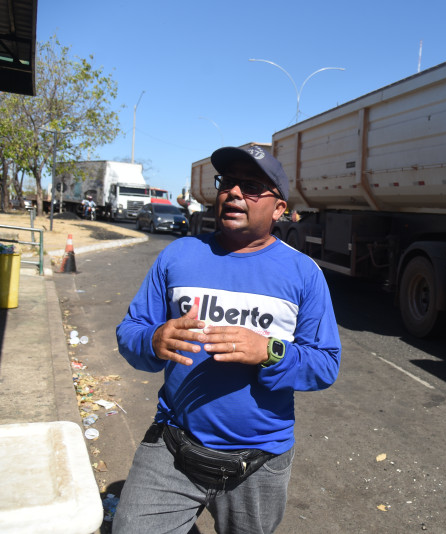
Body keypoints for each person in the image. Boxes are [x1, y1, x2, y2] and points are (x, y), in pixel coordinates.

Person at [113, 145, 341, 533]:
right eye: (228, 183)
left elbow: (325, 363)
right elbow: (130, 330)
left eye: (252, 186)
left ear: (279, 209)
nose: (234, 193)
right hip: (173, 446)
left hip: (258, 463)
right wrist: (153, 340)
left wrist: (268, 351)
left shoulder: (303, 273)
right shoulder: (178, 256)